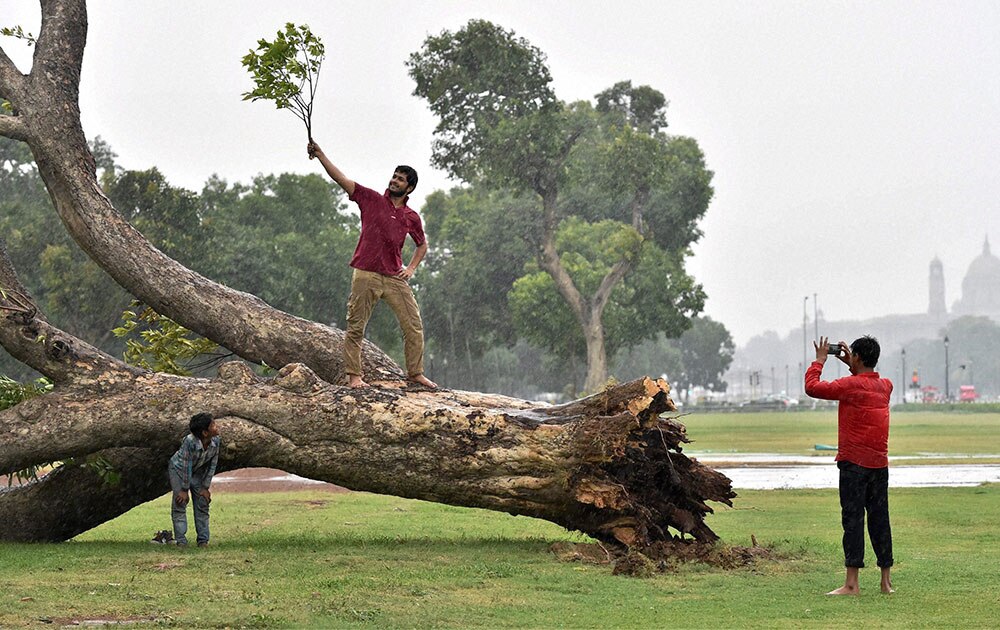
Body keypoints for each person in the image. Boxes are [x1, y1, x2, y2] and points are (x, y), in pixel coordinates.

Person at [308, 139, 437, 389]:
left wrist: (410, 269)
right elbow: (341, 179)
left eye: (400, 179)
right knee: (356, 326)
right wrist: (321, 154)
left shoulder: (411, 217)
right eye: (394, 176)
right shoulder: (371, 199)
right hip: (366, 273)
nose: (394, 180)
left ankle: (415, 373)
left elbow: (422, 245)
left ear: (409, 189)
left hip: (393, 277)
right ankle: (354, 377)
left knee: (414, 325)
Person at [805, 335, 894, 595]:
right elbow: (865, 381)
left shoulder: (849, 386)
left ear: (856, 356)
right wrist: (851, 364)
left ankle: (852, 584)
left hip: (854, 464)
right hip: (879, 463)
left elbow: (812, 387)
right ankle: (886, 582)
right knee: (880, 520)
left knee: (853, 520)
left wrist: (820, 360)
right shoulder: (886, 386)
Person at [168, 412, 220, 547]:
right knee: (180, 503)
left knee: (202, 502)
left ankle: (203, 540)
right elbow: (186, 465)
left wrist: (205, 488)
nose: (216, 426)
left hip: (197, 471)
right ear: (205, 433)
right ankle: (181, 542)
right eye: (213, 425)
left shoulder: (216, 441)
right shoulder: (189, 441)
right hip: (179, 470)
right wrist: (184, 489)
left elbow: (212, 464)